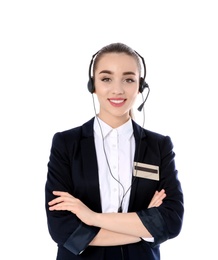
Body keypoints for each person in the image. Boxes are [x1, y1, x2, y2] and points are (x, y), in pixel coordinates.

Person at [45, 42, 184, 260]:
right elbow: (63, 229)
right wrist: (143, 229)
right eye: (106, 78)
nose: (118, 89)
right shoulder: (66, 143)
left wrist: (91, 217)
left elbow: (171, 222)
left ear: (140, 86)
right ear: (93, 85)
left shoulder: (159, 146)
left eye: (128, 79)